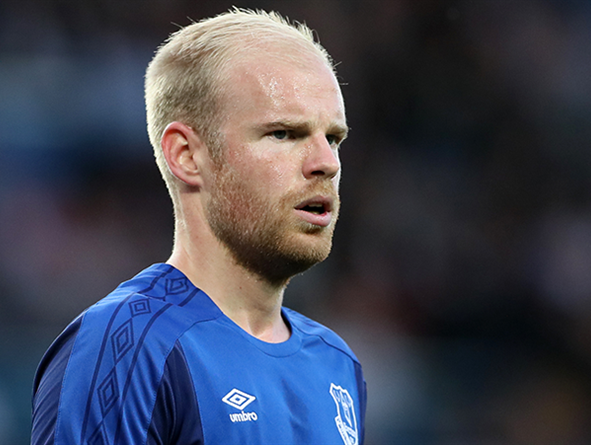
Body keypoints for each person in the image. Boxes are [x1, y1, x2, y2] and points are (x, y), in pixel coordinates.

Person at [31, 8, 365, 445]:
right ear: (187, 156)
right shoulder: (127, 346)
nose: (326, 163)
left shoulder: (337, 363)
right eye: (284, 133)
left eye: (333, 138)